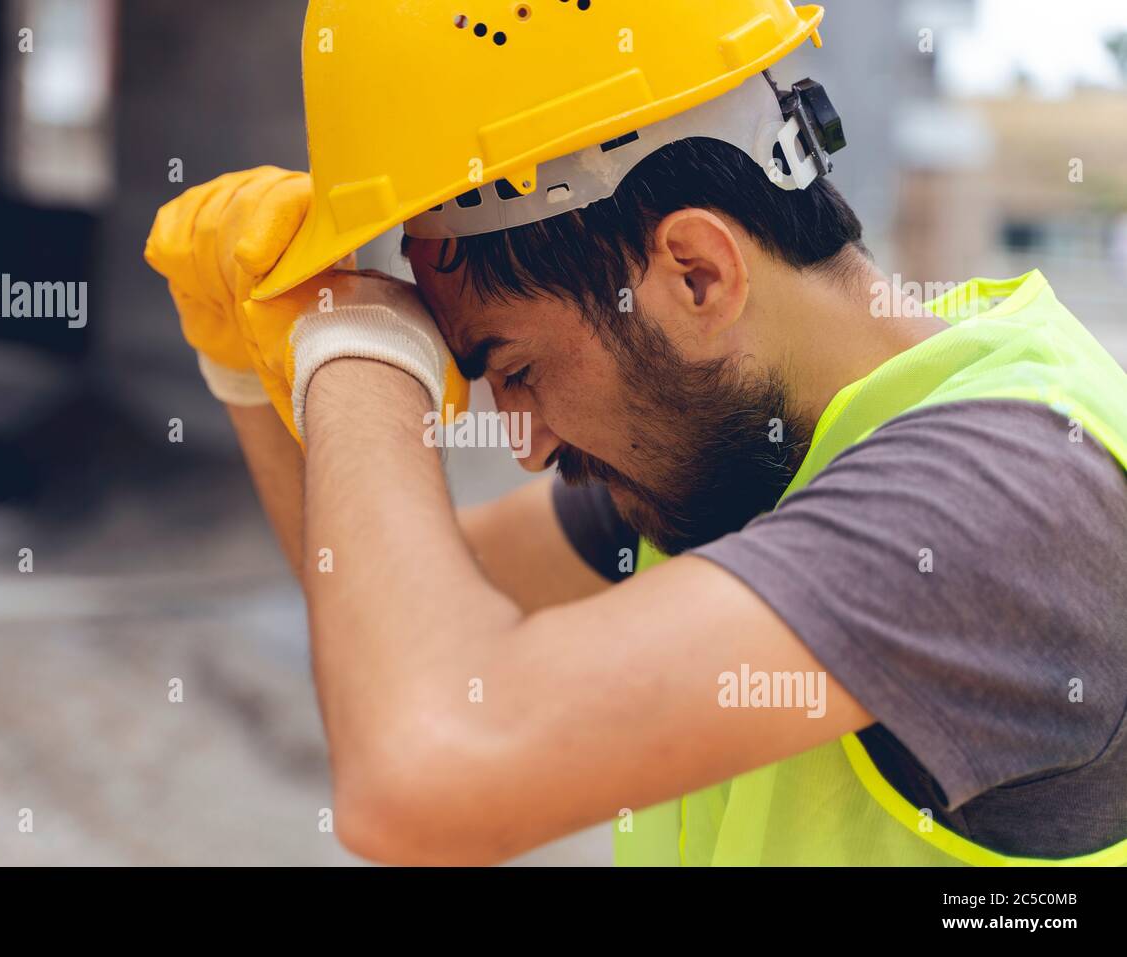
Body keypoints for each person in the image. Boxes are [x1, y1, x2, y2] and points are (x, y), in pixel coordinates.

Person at [145, 0, 1127, 866]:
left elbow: (424, 771)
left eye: (515, 370)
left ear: (696, 272)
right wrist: (247, 362)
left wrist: (357, 351)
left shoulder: (1002, 497)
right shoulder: (746, 454)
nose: (522, 444)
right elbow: (384, 627)